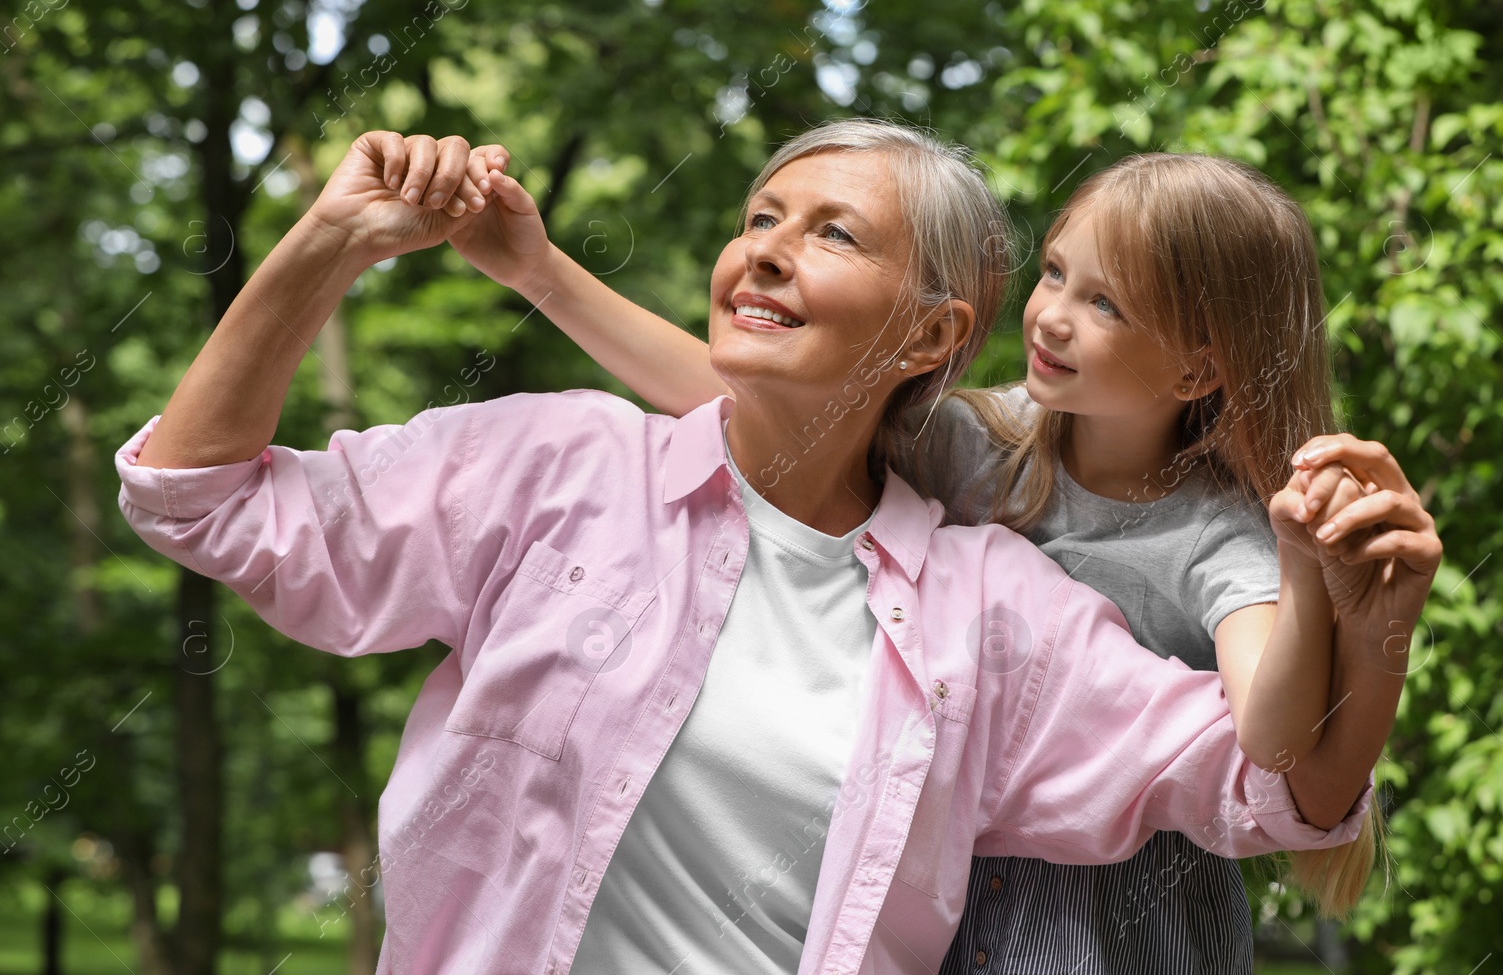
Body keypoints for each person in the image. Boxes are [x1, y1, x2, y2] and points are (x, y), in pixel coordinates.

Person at [116, 120, 1435, 975]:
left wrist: (1364, 624)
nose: (764, 251)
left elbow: (1278, 781)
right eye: (758, 216)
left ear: (928, 336)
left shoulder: (999, 605)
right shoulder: (567, 468)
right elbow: (203, 498)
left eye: (831, 232)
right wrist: (339, 241)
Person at [512, 143, 1426, 972]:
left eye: (1103, 303)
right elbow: (738, 401)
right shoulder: (980, 443)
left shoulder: (1216, 538)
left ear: (1196, 370)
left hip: (1117, 935)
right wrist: (537, 269)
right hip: (941, 911)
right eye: (1056, 274)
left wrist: (1304, 568)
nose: (1052, 317)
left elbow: (1273, 743)